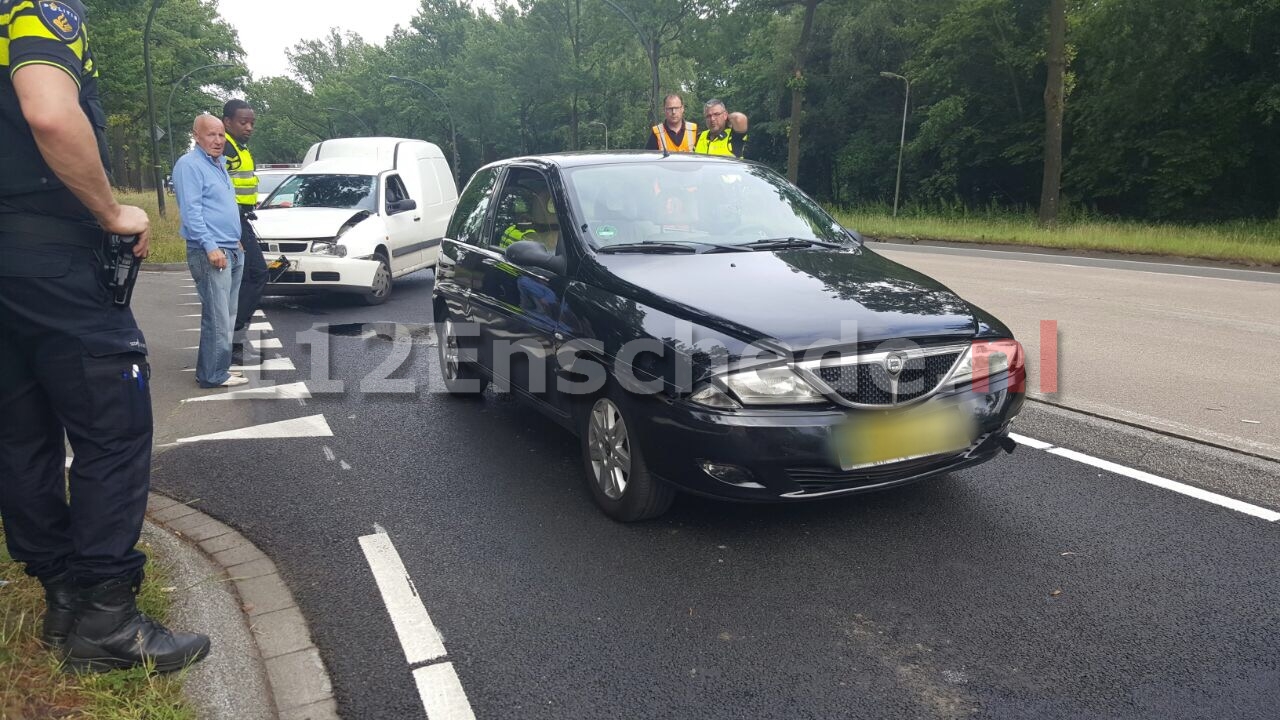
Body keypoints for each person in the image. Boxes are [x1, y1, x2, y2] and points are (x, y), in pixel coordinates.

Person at [0, 0, 210, 672]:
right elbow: (50, 112)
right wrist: (111, 209)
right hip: (54, 261)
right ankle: (108, 621)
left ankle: (63, 598)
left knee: (19, 435)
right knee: (112, 431)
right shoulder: (34, 10)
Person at [173, 114, 247, 389]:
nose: (218, 140)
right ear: (196, 135)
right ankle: (212, 375)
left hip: (229, 247)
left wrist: (234, 239)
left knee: (226, 315)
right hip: (211, 252)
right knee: (216, 316)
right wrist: (210, 245)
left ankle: (218, 369)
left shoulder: (219, 164)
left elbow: (221, 206)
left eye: (220, 135)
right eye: (211, 135)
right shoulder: (190, 165)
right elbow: (191, 212)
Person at [222, 99, 265, 363]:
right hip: (232, 221)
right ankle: (232, 342)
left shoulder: (238, 146)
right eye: (243, 122)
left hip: (240, 218)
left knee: (244, 279)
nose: (249, 127)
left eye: (252, 123)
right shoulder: (226, 147)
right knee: (256, 275)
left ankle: (232, 344)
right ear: (227, 121)